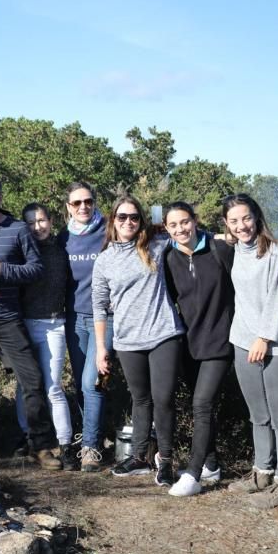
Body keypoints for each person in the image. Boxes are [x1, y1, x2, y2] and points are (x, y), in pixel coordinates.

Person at [0, 174, 62, 468]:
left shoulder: (17, 229)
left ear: (0, 197)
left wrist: (4, 269)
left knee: (31, 380)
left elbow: (35, 269)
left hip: (8, 319)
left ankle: (41, 445)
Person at [93, 195, 185, 486]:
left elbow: (185, 236)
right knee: (140, 399)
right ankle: (139, 456)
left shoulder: (155, 245)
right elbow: (99, 305)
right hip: (127, 340)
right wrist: (100, 349)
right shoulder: (104, 260)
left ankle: (166, 460)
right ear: (113, 221)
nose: (128, 222)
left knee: (163, 399)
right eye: (122, 217)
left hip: (163, 333)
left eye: (134, 217)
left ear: (141, 220)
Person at [222, 193, 278, 508]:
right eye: (234, 221)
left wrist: (265, 338)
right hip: (242, 343)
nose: (242, 226)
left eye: (246, 218)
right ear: (226, 224)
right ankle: (262, 472)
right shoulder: (233, 250)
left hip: (276, 348)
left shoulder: (274, 252)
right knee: (258, 415)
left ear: (257, 217)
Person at [161, 201, 235, 497]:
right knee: (200, 403)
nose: (181, 229)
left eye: (185, 222)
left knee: (202, 404)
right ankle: (213, 464)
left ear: (195, 220)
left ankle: (193, 473)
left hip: (222, 341)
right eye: (173, 225)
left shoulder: (219, 250)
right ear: (166, 229)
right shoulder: (169, 258)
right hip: (190, 344)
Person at [56, 181, 112, 472]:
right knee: (81, 384)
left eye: (87, 201)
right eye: (76, 203)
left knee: (93, 381)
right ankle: (91, 436)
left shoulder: (108, 231)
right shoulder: (63, 237)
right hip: (75, 317)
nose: (83, 207)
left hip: (106, 316)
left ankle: (91, 448)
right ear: (68, 207)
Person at [17, 203, 76, 469]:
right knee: (25, 386)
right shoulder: (20, 251)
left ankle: (64, 443)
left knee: (53, 386)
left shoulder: (61, 250)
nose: (37, 226)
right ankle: (28, 437)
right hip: (26, 324)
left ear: (51, 221)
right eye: (31, 222)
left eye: (41, 220)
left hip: (55, 324)